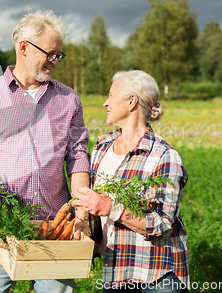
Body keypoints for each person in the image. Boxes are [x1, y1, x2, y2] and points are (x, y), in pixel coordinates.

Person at [0, 10, 90, 293]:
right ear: (23, 47)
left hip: (54, 229)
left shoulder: (68, 98)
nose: (54, 61)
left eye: (58, 55)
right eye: (49, 53)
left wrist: (81, 214)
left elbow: (78, 156)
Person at [71, 70, 189, 292]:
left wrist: (109, 206)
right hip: (116, 267)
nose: (105, 103)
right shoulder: (101, 147)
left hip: (156, 272)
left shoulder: (164, 155)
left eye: (111, 96)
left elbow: (163, 223)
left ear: (132, 101)